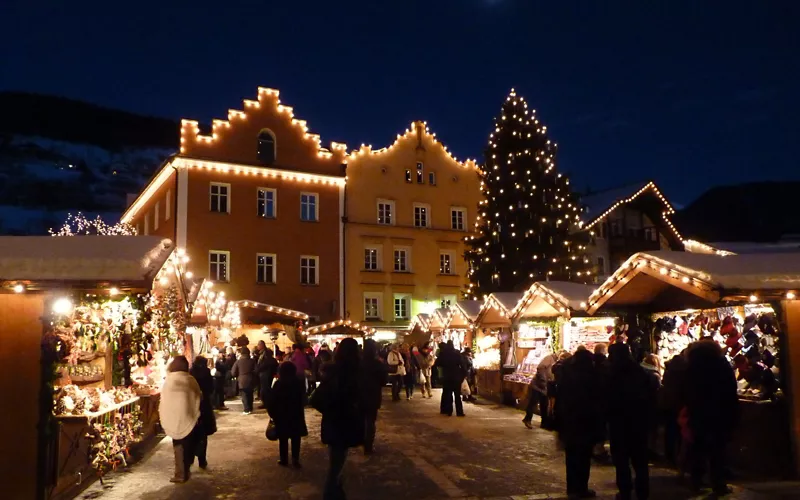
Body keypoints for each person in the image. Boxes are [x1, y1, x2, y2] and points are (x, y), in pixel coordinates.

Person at [310, 337, 364, 500]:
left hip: (334, 419)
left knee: (337, 456)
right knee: (338, 460)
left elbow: (316, 399)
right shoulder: (355, 372)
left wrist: (329, 410)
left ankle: (336, 490)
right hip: (347, 418)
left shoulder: (332, 370)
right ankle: (331, 492)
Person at [684, 340, 738, 496]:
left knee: (698, 448)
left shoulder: (692, 367)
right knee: (718, 450)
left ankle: (696, 480)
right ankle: (718, 483)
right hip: (720, 412)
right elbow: (730, 389)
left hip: (699, 412)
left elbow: (688, 390)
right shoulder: (721, 365)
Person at [606, 343, 659, 500]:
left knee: (621, 461)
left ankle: (625, 491)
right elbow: (650, 397)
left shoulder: (611, 374)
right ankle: (643, 492)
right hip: (638, 423)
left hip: (619, 423)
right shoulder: (640, 372)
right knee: (640, 461)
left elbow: (607, 399)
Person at [555, 348, 603, 499]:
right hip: (586, 422)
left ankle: (572, 488)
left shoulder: (567, 375)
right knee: (583, 457)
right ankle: (581, 488)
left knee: (572, 457)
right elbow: (596, 401)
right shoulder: (591, 376)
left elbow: (560, 399)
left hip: (570, 422)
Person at [160, 356, 202, 483]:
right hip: (187, 415)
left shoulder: (169, 380)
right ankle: (186, 468)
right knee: (188, 443)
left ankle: (180, 473)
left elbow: (164, 399)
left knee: (177, 445)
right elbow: (198, 395)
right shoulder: (190, 380)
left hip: (173, 416)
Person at [267, 361, 308, 468]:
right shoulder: (298, 383)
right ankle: (295, 459)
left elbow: (272, 400)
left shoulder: (278, 384)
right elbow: (303, 399)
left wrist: (272, 413)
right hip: (295, 414)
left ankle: (284, 459)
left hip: (281, 415)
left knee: (283, 438)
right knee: (296, 437)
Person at [659, 351, 688, 465]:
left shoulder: (669, 372)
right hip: (680, 405)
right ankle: (679, 456)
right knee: (681, 432)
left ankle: (669, 455)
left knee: (670, 431)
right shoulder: (684, 373)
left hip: (669, 405)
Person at [361, 338, 388, 454]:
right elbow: (384, 381)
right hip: (373, 394)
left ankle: (362, 440)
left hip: (360, 394)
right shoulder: (378, 364)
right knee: (371, 420)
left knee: (362, 419)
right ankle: (368, 445)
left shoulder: (359, 363)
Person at [189, 356, 217, 469]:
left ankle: (190, 459)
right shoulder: (206, 373)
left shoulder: (190, 373)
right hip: (204, 405)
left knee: (191, 433)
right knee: (203, 434)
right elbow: (211, 389)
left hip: (192, 405)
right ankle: (202, 460)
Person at [523, 353, 556, 429]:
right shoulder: (549, 358)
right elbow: (540, 367)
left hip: (544, 387)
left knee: (544, 404)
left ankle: (544, 423)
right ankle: (527, 419)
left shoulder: (553, 360)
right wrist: (543, 380)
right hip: (537, 386)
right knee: (533, 403)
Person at [434, 341, 466, 417]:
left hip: (446, 376)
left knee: (448, 394)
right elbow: (462, 364)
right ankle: (459, 412)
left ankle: (449, 411)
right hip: (456, 376)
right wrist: (463, 375)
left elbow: (437, 363)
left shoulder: (443, 354)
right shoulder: (457, 353)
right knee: (457, 395)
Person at [231, 346, 256, 414]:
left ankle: (246, 409)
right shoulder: (252, 361)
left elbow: (233, 372)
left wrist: (237, 376)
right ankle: (250, 408)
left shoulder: (238, 362)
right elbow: (256, 370)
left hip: (242, 380)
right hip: (251, 379)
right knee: (250, 394)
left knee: (244, 395)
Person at [257, 344, 279, 408]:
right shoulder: (273, 360)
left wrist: (257, 371)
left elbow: (260, 367)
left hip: (264, 377)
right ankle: (269, 402)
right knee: (268, 390)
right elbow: (276, 367)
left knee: (264, 390)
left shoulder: (265, 360)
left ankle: (266, 403)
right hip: (270, 376)